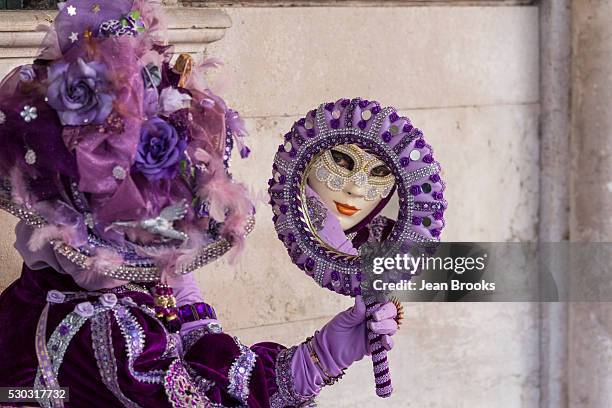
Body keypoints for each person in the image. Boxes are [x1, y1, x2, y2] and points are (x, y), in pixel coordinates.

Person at [0, 1, 398, 406]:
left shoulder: (45, 295)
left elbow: (196, 345)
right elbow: (200, 398)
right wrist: (317, 360)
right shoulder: (105, 328)